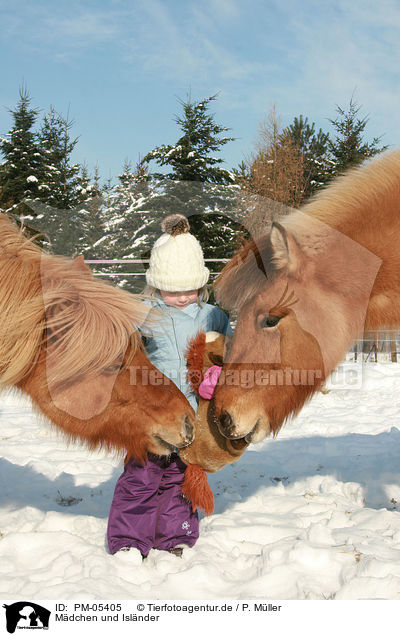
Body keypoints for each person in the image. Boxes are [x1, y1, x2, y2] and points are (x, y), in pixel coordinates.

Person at [107, 214, 231, 562]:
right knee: (141, 478)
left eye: (189, 289)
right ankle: (130, 541)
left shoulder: (214, 316)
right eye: (172, 290)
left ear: (202, 284)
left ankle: (175, 537)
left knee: (180, 478)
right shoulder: (143, 313)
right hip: (151, 416)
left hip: (191, 415)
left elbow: (224, 354)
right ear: (156, 285)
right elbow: (121, 347)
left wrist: (217, 376)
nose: (181, 297)